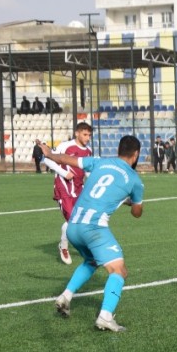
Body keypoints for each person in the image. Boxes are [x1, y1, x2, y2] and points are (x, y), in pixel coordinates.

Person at [38, 135, 144, 333]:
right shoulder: (135, 180)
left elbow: (65, 159)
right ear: (136, 154)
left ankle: (65, 297)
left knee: (91, 261)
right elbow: (137, 213)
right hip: (93, 228)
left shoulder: (99, 161)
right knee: (118, 270)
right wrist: (134, 203)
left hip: (73, 226)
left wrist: (50, 153)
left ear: (119, 150)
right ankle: (105, 316)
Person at [43, 121, 94, 264]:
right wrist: (63, 172)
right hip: (63, 188)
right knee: (72, 220)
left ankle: (66, 244)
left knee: (80, 220)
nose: (87, 138)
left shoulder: (88, 151)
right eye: (85, 134)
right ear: (77, 133)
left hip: (79, 189)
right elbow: (47, 160)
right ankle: (64, 246)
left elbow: (88, 171)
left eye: (89, 135)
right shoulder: (65, 146)